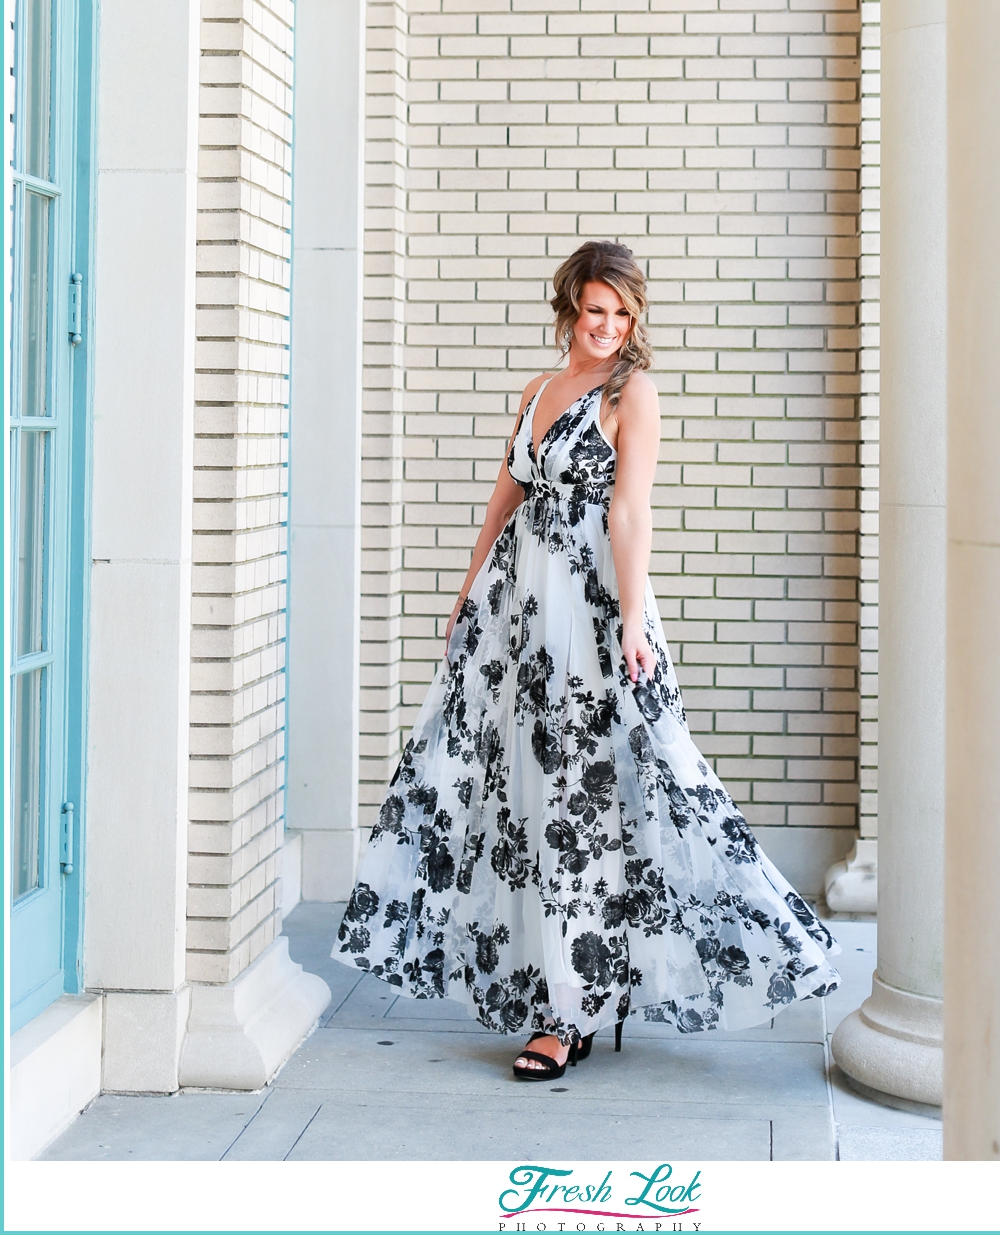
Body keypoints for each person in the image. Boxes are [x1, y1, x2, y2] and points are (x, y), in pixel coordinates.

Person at [332, 240, 840, 1079]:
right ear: (569, 309)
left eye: (621, 314)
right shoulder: (539, 390)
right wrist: (468, 585)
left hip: (592, 615)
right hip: (518, 616)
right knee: (520, 800)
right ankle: (548, 990)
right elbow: (510, 488)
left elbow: (630, 514)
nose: (606, 327)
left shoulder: (631, 393)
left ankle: (567, 1014)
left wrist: (633, 622)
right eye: (593, 311)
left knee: (590, 802)